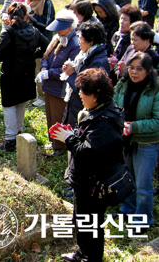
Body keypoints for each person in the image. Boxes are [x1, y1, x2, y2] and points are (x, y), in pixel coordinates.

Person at [51, 68, 123, 262]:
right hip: (84, 181)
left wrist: (69, 139)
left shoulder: (105, 121)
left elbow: (88, 152)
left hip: (93, 184)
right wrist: (74, 135)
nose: (80, 95)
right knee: (82, 221)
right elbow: (88, 142)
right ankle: (82, 254)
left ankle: (92, 257)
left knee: (91, 224)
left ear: (96, 95)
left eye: (84, 92)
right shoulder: (96, 112)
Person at [113, 52, 159, 228]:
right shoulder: (123, 84)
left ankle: (143, 218)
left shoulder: (155, 88)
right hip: (125, 140)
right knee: (127, 179)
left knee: (143, 184)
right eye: (131, 67)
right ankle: (128, 208)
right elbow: (114, 106)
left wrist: (135, 126)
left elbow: (157, 121)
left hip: (146, 142)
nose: (134, 72)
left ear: (148, 70)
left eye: (139, 69)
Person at [0, 2, 49, 151]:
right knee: (21, 102)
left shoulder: (9, 32)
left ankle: (11, 138)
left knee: (9, 105)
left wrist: (10, 56)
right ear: (25, 16)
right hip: (27, 71)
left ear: (11, 17)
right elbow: (47, 45)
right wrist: (33, 54)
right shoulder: (33, 30)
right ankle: (18, 131)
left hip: (11, 72)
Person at [37, 10, 79, 156]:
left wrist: (49, 73)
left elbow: (69, 68)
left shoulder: (74, 43)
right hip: (49, 84)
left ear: (69, 27)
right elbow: (46, 56)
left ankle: (60, 146)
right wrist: (44, 67)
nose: (58, 30)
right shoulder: (57, 39)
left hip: (61, 86)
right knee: (49, 113)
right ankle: (53, 140)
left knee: (58, 115)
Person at [61, 21, 109, 128]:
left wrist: (71, 74)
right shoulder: (84, 55)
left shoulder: (98, 62)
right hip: (75, 106)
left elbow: (86, 90)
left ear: (91, 41)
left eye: (81, 38)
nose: (79, 41)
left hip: (84, 110)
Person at [110, 5, 143, 81]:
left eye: (125, 20)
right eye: (121, 19)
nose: (121, 22)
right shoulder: (116, 35)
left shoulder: (133, 43)